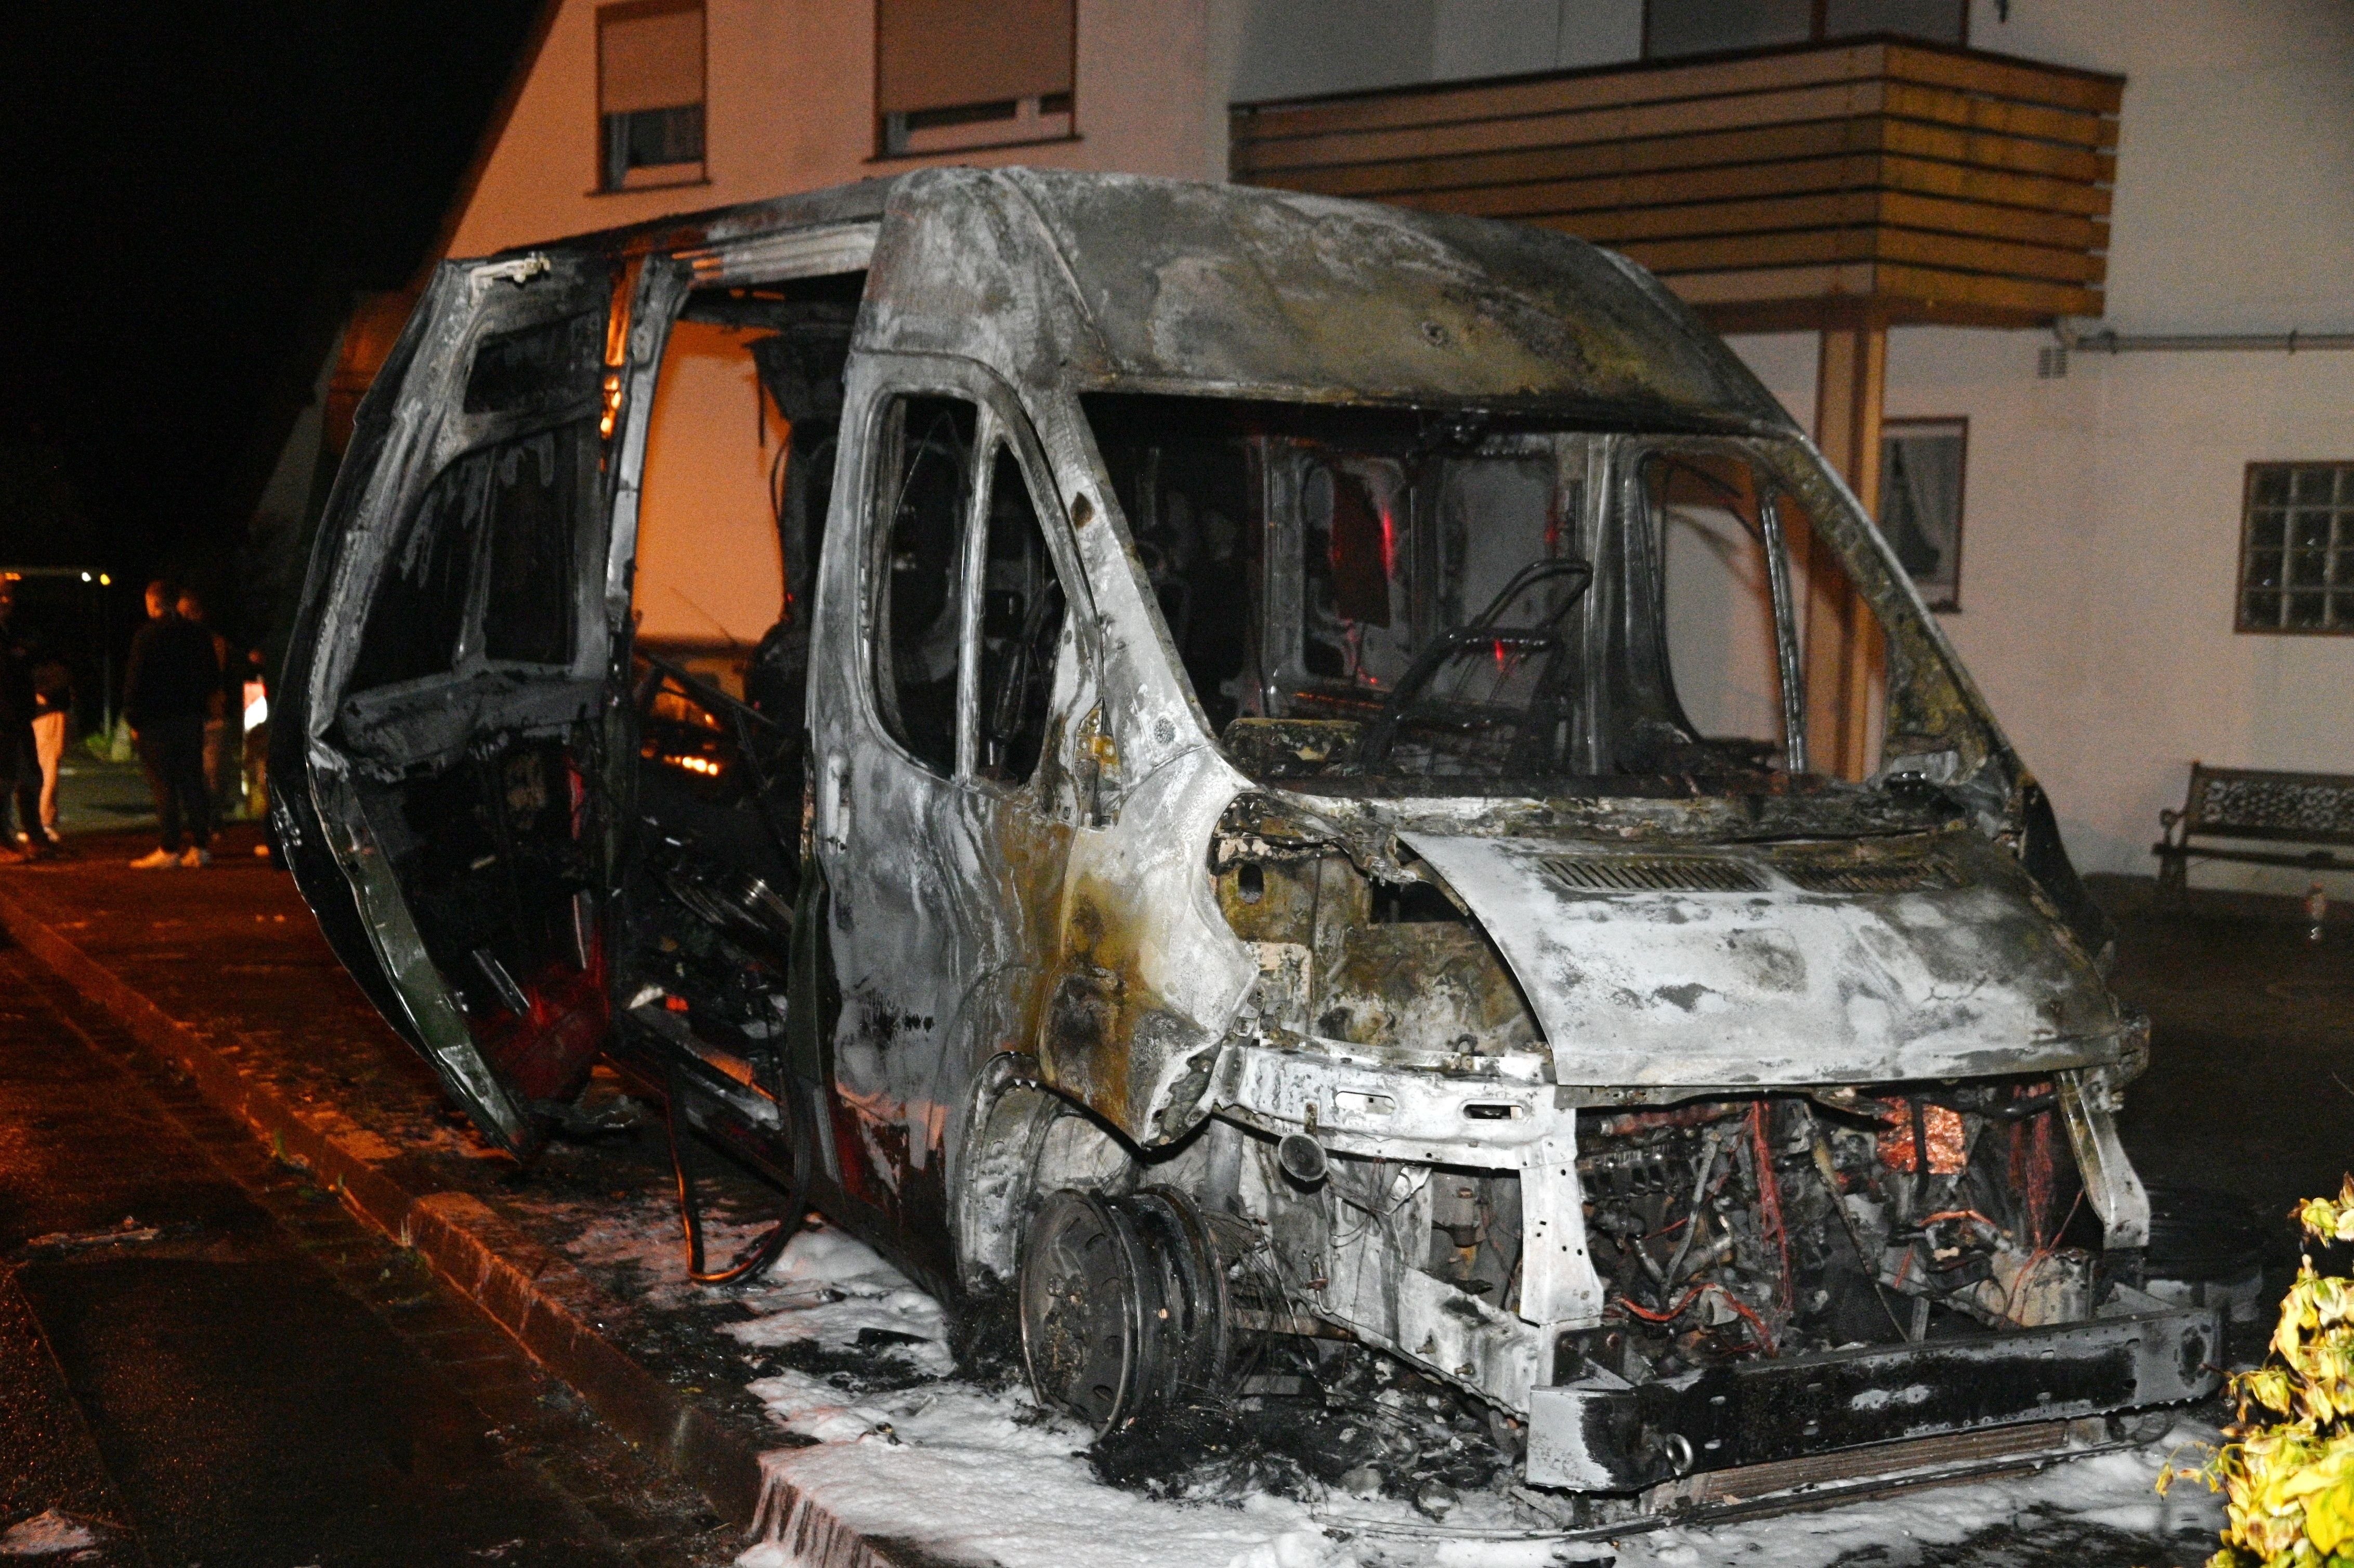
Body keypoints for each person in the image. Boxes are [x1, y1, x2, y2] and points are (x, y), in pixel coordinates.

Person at [124, 579, 219, 868]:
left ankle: (169, 847)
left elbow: (135, 680)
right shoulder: (197, 634)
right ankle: (201, 845)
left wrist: (133, 718)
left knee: (163, 784)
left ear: (154, 602)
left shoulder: (147, 635)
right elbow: (212, 676)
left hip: (156, 721)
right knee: (192, 781)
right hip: (189, 718)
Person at [176, 589, 239, 821]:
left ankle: (213, 820)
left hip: (212, 716)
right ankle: (199, 821)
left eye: (188, 613)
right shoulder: (177, 643)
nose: (184, 618)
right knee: (192, 773)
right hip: (188, 716)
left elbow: (224, 677)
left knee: (213, 772)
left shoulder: (215, 643)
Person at [0, 581, 47, 860]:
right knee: (4, 780)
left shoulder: (12, 633)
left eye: (9, 596)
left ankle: (35, 836)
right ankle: (5, 841)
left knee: (31, 776)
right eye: (1, 596)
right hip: (5, 717)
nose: (7, 601)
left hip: (18, 716)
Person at [30, 652, 70, 845]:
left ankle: (35, 823)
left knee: (36, 769)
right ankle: (43, 824)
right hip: (45, 714)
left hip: (35, 713)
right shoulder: (49, 660)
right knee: (47, 769)